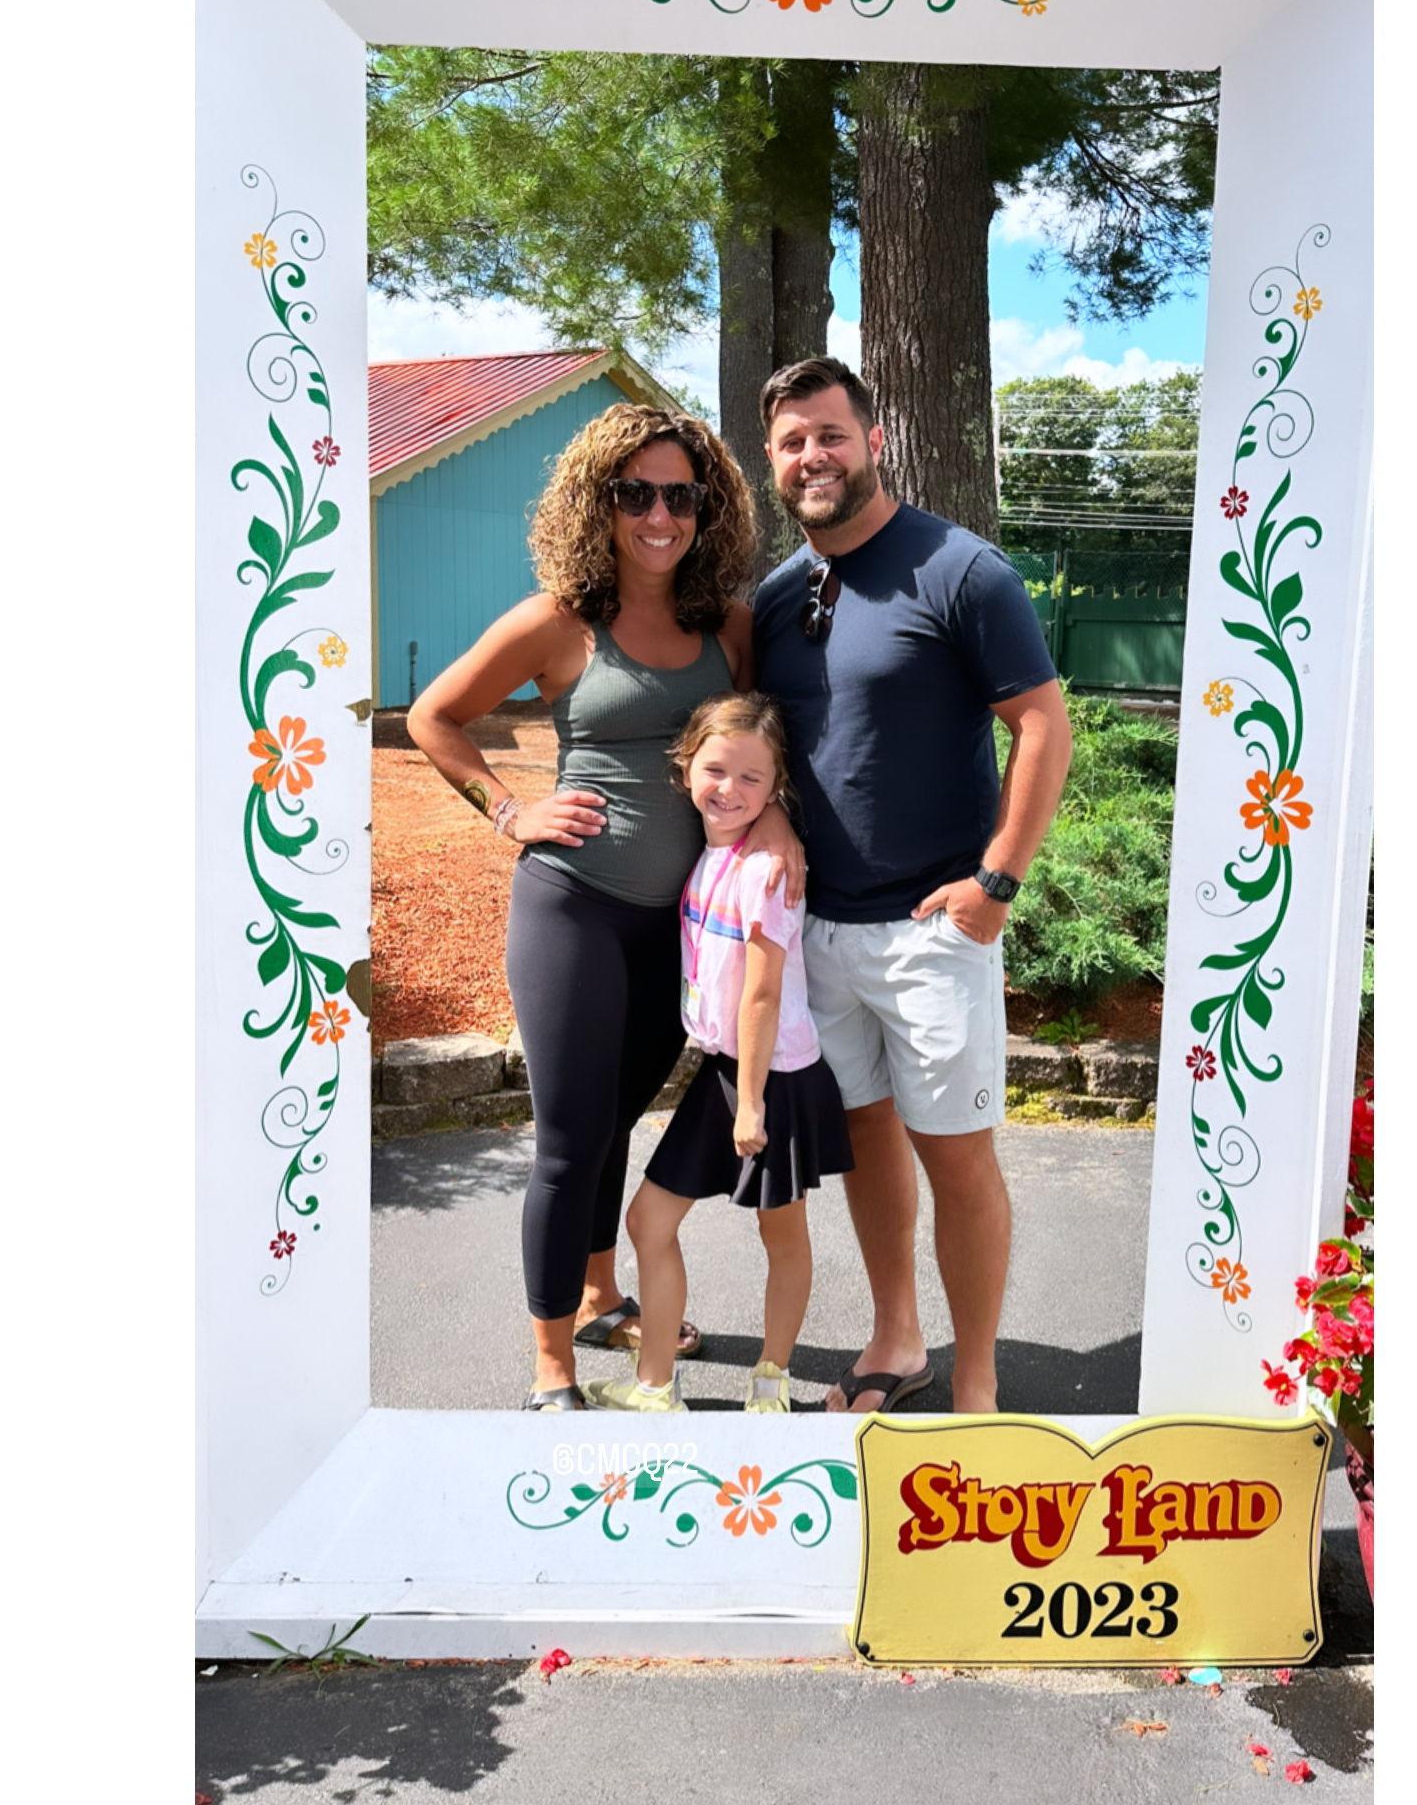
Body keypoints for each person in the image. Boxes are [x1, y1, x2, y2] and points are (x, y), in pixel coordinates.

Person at [405, 400, 799, 1411]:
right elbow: (434, 715)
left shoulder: (727, 627)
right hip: (572, 909)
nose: (659, 516)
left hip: (676, 928)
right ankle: (552, 1366)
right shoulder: (556, 621)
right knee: (570, 1142)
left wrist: (778, 824)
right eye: (636, 494)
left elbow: (761, 745)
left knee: (614, 1118)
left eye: (681, 496)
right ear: (599, 501)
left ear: (708, 508)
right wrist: (508, 810)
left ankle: (597, 1296)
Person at [751, 355, 1073, 1416]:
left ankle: (976, 1380)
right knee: (866, 1143)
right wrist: (770, 825)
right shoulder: (775, 597)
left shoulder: (961, 569)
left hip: (936, 926)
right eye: (791, 441)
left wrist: (996, 882)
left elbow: (1041, 723)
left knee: (956, 1157)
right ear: (771, 459)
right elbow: (758, 742)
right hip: (820, 932)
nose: (812, 456)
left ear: (874, 440)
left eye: (830, 434)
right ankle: (898, 1336)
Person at [584, 694, 853, 1414]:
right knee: (649, 1222)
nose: (729, 789)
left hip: (773, 1077)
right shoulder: (713, 853)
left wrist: (754, 1104)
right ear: (685, 767)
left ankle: (770, 1380)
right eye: (716, 770)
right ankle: (654, 1386)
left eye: (751, 779)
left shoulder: (766, 872)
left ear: (775, 788)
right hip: (727, 1070)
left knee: (781, 1233)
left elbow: (762, 995)